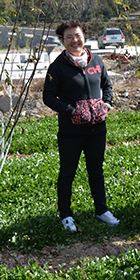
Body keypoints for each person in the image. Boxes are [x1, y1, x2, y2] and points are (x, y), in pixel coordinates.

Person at [43, 20, 119, 232]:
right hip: (71, 131)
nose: (74, 40)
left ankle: (101, 210)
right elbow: (48, 96)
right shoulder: (58, 66)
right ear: (62, 41)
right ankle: (66, 215)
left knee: (96, 170)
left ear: (84, 36)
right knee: (68, 172)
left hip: (97, 129)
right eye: (69, 37)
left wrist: (108, 103)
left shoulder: (96, 60)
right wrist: (70, 110)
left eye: (77, 35)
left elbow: (107, 85)